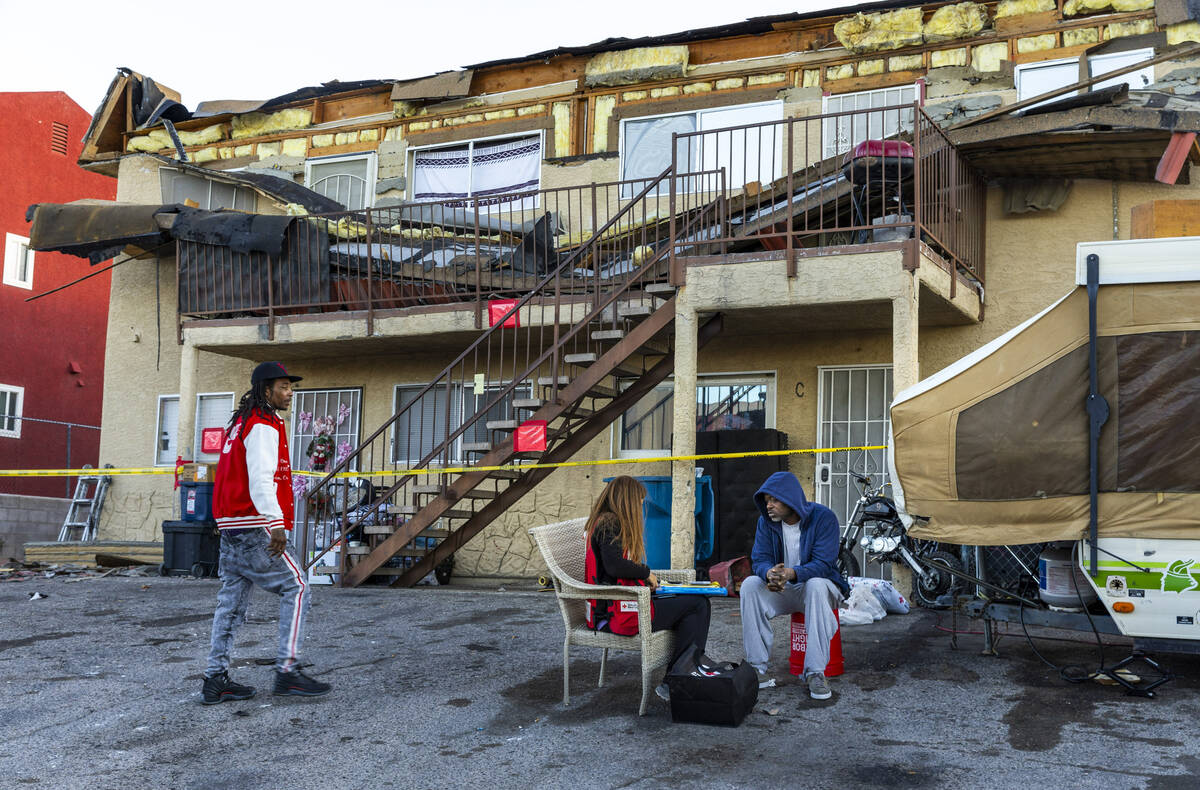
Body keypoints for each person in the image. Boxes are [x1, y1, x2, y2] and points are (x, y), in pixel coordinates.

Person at [201, 361, 332, 704]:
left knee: (230, 604)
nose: (289, 393)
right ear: (266, 390)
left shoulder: (238, 424)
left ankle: (215, 679)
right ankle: (287, 671)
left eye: (291, 387)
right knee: (298, 584)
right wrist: (275, 523)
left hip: (230, 527)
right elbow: (261, 478)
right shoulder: (262, 424)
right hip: (253, 525)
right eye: (284, 387)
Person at [584, 476, 715, 701]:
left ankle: (680, 675)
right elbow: (615, 566)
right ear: (628, 501)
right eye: (640, 501)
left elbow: (610, 570)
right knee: (698, 605)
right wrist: (646, 573)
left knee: (692, 605)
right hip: (616, 613)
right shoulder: (610, 523)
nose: (641, 506)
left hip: (618, 604)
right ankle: (678, 678)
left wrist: (645, 579)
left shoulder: (603, 520)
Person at [740, 470, 850, 700]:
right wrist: (770, 573)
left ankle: (815, 672)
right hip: (785, 590)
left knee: (817, 585)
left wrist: (791, 573)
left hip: (820, 589)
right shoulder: (766, 523)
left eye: (774, 500)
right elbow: (759, 559)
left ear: (790, 499)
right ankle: (756, 669)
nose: (769, 506)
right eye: (767, 500)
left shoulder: (824, 518)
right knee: (750, 584)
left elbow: (823, 564)